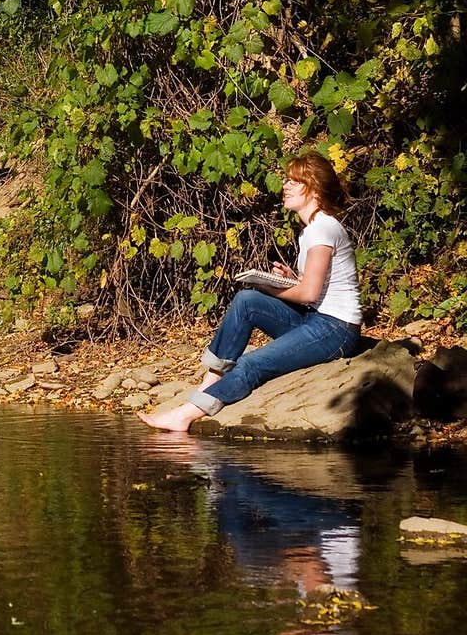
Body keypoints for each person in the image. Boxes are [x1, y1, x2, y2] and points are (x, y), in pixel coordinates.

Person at [139, 151, 363, 433]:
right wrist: (291, 279)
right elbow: (315, 288)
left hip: (336, 330)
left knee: (251, 363)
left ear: (314, 187)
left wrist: (269, 287)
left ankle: (185, 415)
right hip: (316, 319)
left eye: (294, 181)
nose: (285, 186)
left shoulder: (323, 229)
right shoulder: (311, 231)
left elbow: (307, 294)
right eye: (286, 180)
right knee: (247, 301)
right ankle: (209, 383)